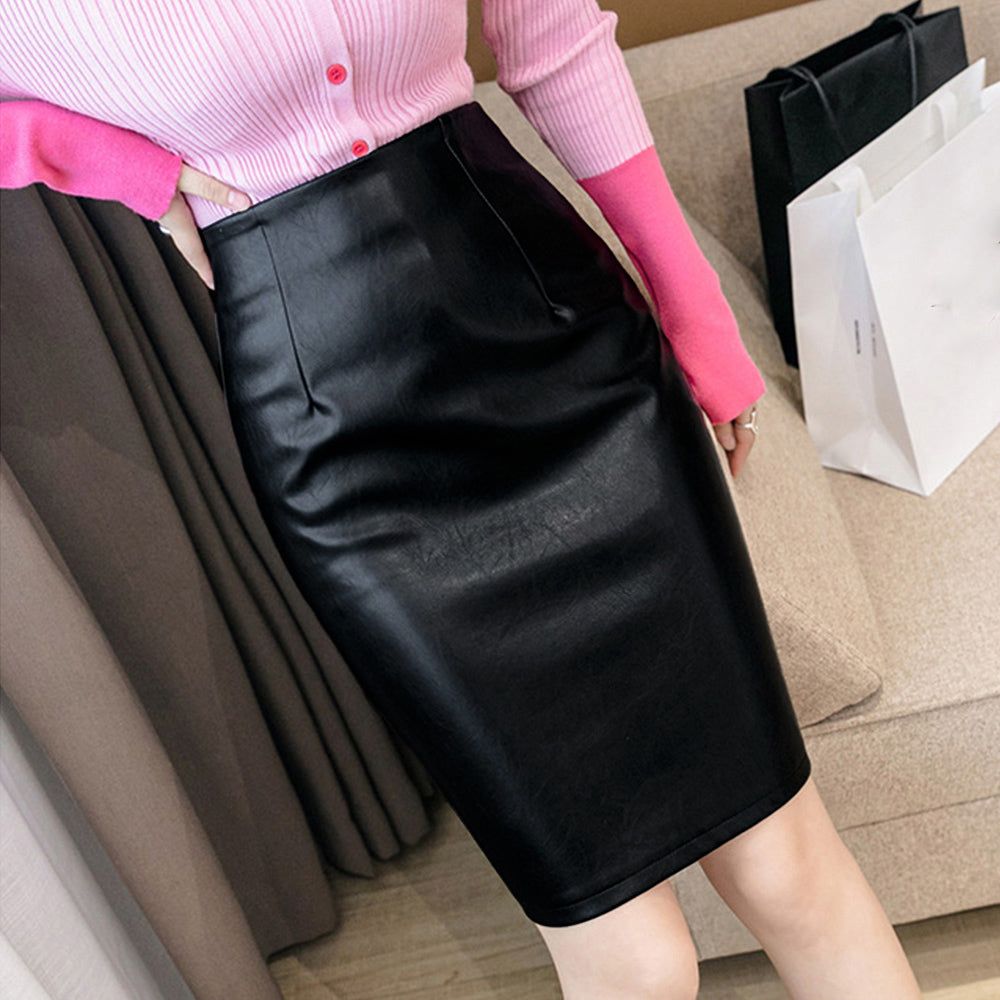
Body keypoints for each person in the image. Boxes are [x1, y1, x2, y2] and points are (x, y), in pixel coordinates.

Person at [0, 2, 922, 997]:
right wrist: (122, 167)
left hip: (561, 336)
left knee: (788, 867)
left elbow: (557, 41)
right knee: (635, 962)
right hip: (346, 447)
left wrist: (696, 315)